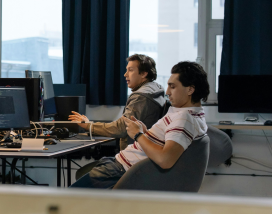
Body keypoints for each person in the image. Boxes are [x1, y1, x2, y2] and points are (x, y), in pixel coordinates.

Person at [70, 61, 210, 189]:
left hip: (121, 170)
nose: (167, 92)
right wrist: (145, 133)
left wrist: (138, 135)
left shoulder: (184, 118)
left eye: (172, 87)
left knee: (67, 198)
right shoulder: (195, 114)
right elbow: (167, 142)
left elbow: (165, 160)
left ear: (190, 90)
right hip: (124, 166)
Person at [68, 54, 165, 150]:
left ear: (144, 74)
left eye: (130, 70)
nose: (125, 74)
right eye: (127, 70)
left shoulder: (141, 97)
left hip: (133, 154)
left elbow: (121, 129)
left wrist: (88, 126)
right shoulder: (156, 89)